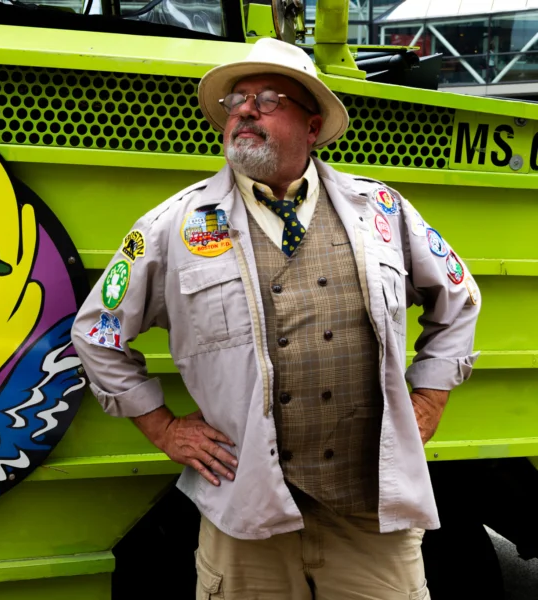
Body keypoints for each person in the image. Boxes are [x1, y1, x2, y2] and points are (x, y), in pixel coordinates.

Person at [71, 37, 480, 599]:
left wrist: (430, 396)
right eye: (236, 100)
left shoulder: (380, 211)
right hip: (246, 512)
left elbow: (459, 297)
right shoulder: (172, 226)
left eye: (267, 100)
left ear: (312, 127)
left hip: (371, 512)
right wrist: (163, 427)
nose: (244, 110)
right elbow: (97, 332)